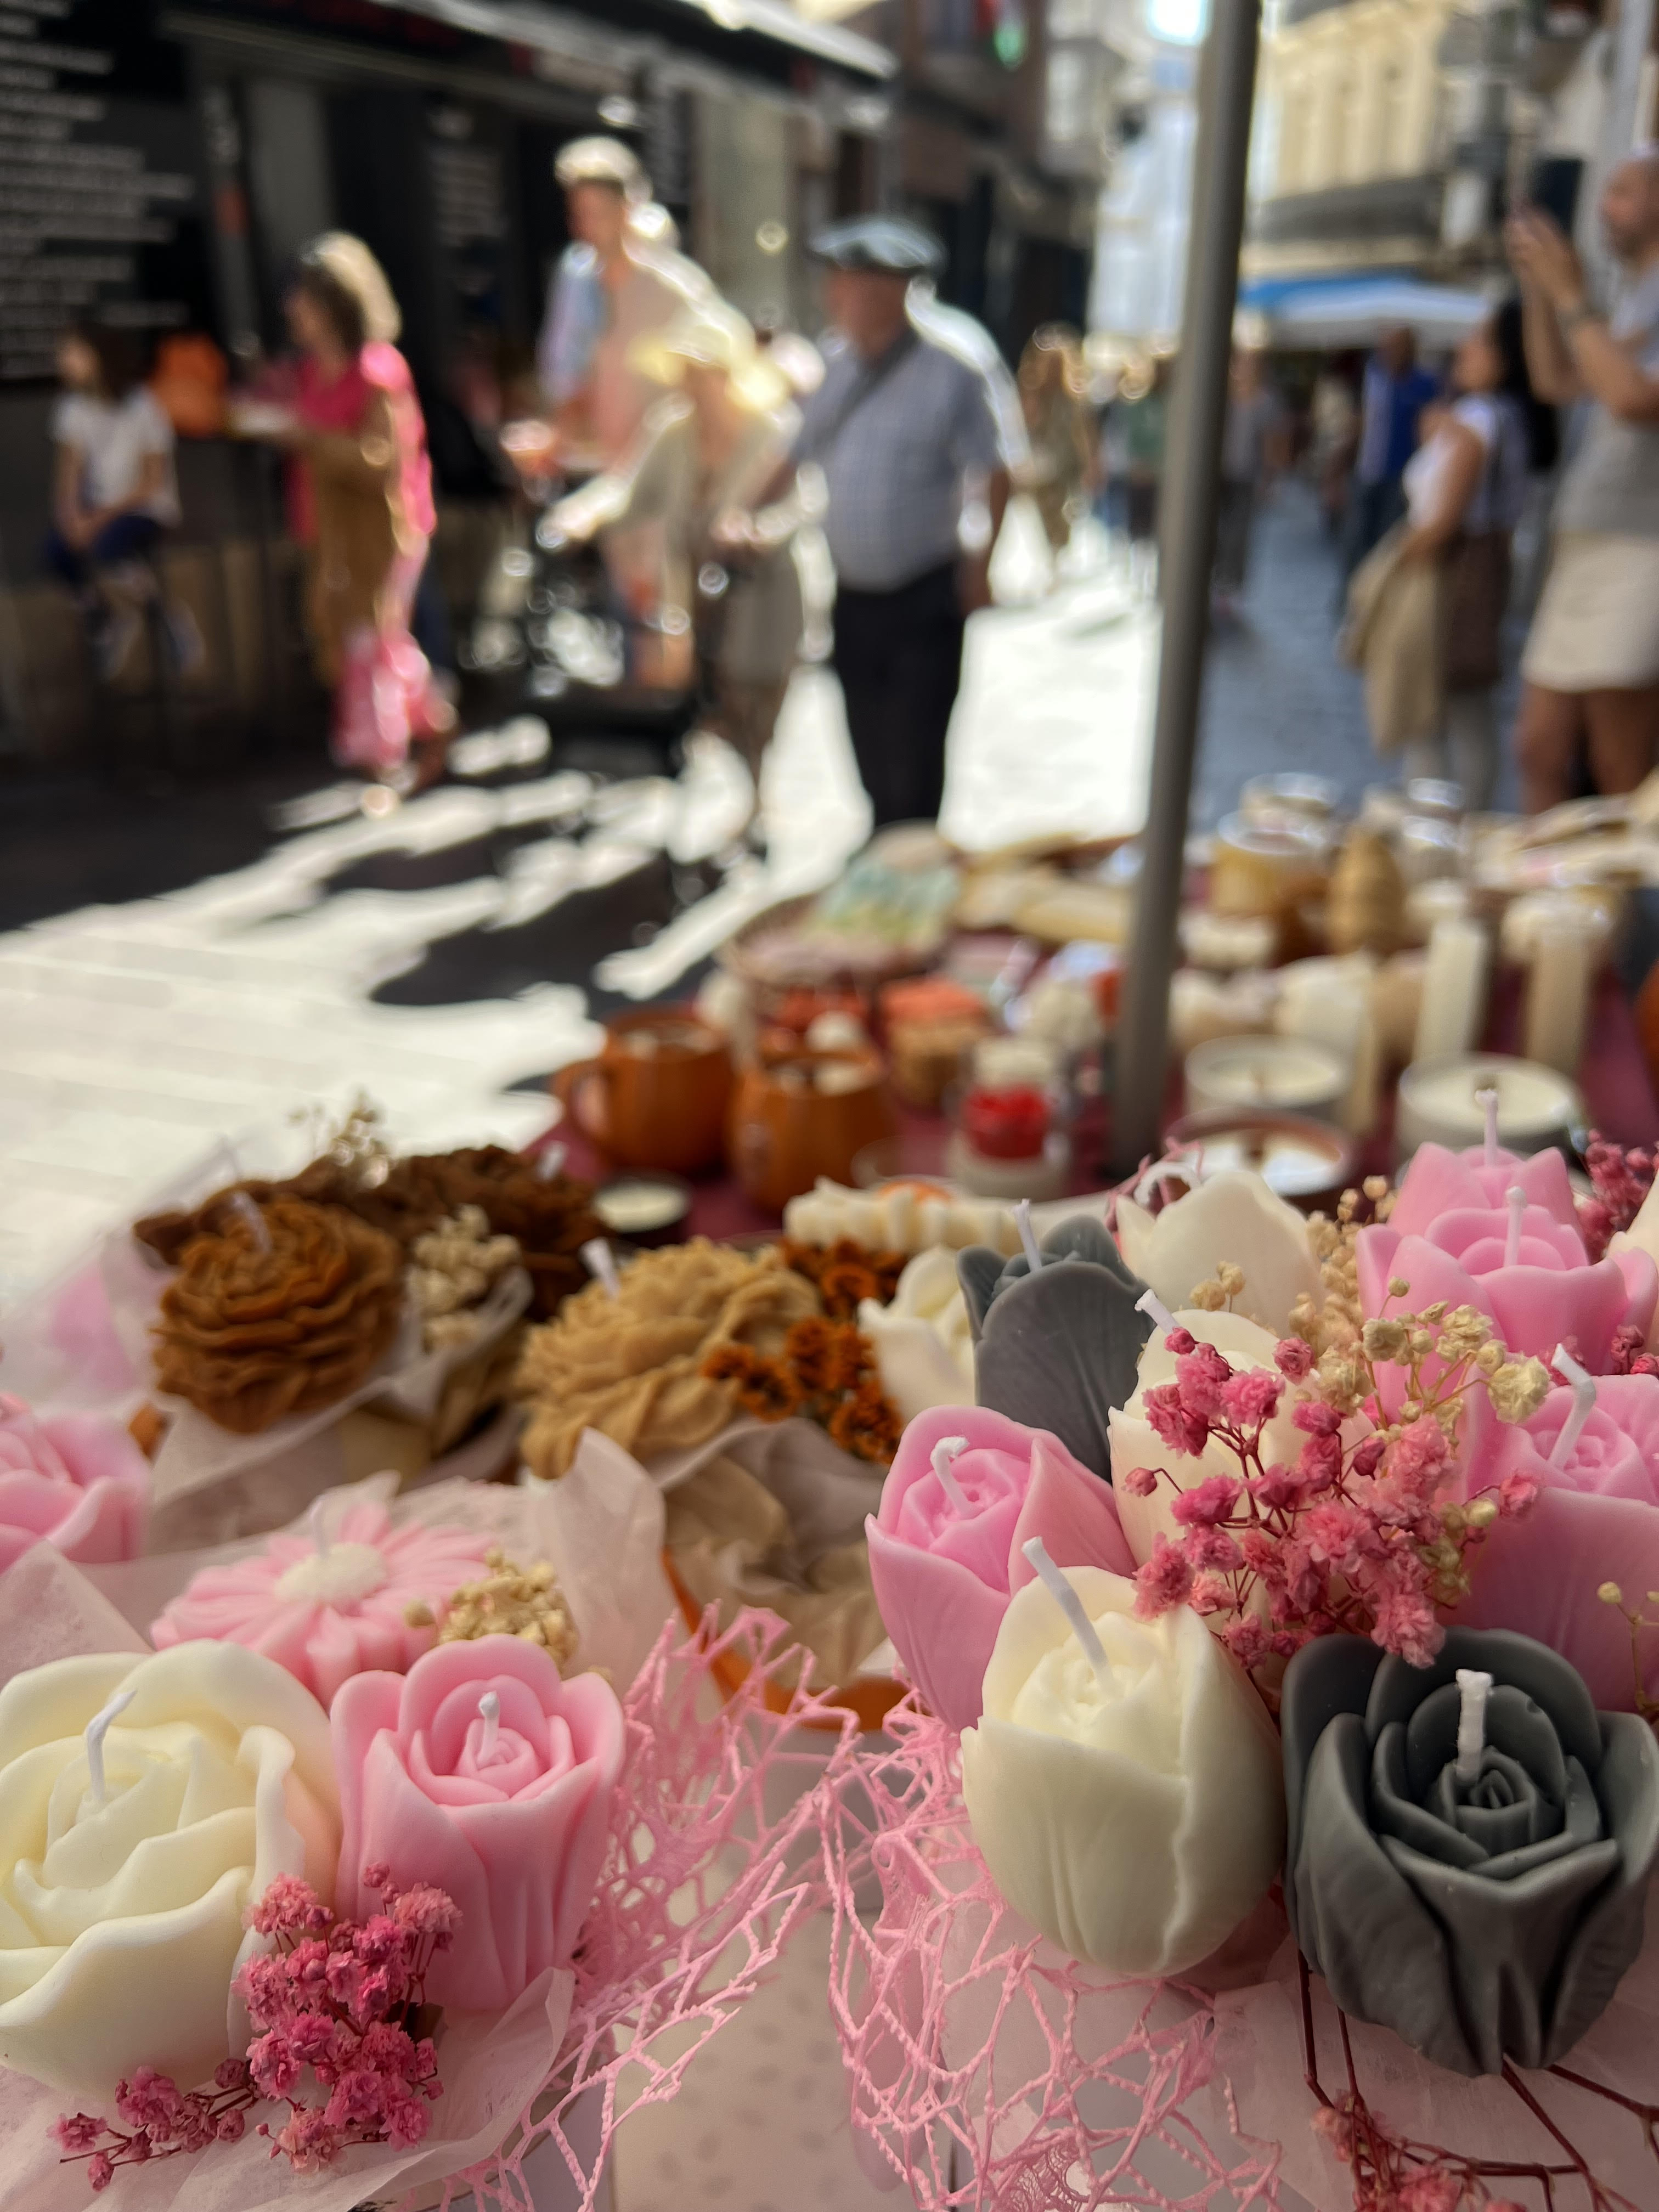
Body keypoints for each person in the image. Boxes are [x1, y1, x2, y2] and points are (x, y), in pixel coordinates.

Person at [785, 216, 1020, 828]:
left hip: (923, 592)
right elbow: (793, 451)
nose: (831, 298)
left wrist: (982, 565)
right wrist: (739, 514)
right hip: (854, 596)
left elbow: (997, 468)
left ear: (887, 291)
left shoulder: (955, 363)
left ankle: (910, 864)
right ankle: (885, 843)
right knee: (866, 744)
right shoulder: (835, 363)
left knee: (915, 751)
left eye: (845, 286)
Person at [549, 304, 804, 823]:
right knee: (719, 701)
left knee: (760, 696)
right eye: (685, 371)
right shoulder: (674, 430)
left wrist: (760, 534)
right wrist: (579, 515)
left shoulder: (770, 428)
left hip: (766, 594)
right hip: (701, 597)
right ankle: (747, 790)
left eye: (700, 371)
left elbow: (802, 502)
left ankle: (758, 795)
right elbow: (626, 489)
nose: (691, 383)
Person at [1506, 149, 1659, 809]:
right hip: (1590, 541)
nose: (1604, 208)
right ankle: (1551, 900)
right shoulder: (1634, 301)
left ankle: (1621, 911)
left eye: (1623, 192)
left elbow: (1630, 399)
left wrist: (1571, 295)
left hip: (1643, 544)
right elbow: (1559, 381)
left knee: (1618, 761)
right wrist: (1541, 292)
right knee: (1539, 747)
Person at [278, 232, 453, 788]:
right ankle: (435, 721)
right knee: (369, 643)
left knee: (372, 645)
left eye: (302, 295)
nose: (292, 307)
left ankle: (382, 762)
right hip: (331, 534)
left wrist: (307, 438)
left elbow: (383, 459)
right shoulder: (307, 372)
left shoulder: (379, 369)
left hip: (386, 531)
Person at [1393, 314, 1530, 809]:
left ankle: (1443, 821)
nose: (1466, 349)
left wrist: (1396, 562)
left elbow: (1443, 519)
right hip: (1474, 571)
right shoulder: (1492, 416)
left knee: (1443, 707)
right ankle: (1460, 816)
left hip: (1455, 574)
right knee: (1465, 708)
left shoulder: (1479, 419)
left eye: (1480, 341)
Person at [534, 138, 708, 468]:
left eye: (595, 214)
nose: (584, 228)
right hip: (600, 467)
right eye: (578, 215)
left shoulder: (676, 290)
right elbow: (565, 373)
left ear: (627, 211)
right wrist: (555, 437)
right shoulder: (576, 278)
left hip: (663, 474)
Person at [46, 322, 183, 678]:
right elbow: (69, 473)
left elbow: (151, 481)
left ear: (97, 355)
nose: (63, 360)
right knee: (57, 553)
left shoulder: (143, 406)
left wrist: (99, 519)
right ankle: (105, 620)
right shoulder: (72, 409)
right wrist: (70, 515)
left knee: (109, 551)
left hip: (143, 508)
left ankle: (165, 619)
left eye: (72, 352)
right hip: (97, 511)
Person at [1342, 325, 1438, 579]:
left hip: (1398, 476)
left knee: (1385, 541)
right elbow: (1359, 422)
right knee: (1356, 540)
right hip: (1367, 470)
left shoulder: (1423, 384)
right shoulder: (1372, 376)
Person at [1213, 346, 1285, 617]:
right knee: (1219, 531)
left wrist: (1270, 475)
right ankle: (1217, 579)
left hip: (1245, 475)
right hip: (1221, 477)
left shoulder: (1265, 401)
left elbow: (1271, 441)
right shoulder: (1225, 395)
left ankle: (1230, 586)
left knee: (1239, 534)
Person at [1017, 325, 1096, 561]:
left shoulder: (1073, 396)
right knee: (1045, 511)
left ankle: (1058, 554)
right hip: (1042, 463)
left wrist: (1090, 462)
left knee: (1065, 511)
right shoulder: (1033, 391)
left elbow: (1083, 430)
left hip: (1066, 461)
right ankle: (1051, 554)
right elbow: (1023, 426)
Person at [1117, 352, 1170, 597]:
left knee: (1157, 527)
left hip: (1162, 476)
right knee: (1138, 525)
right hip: (1141, 474)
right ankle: (1137, 572)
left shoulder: (1172, 403)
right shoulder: (1140, 403)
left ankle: (1154, 573)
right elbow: (1133, 438)